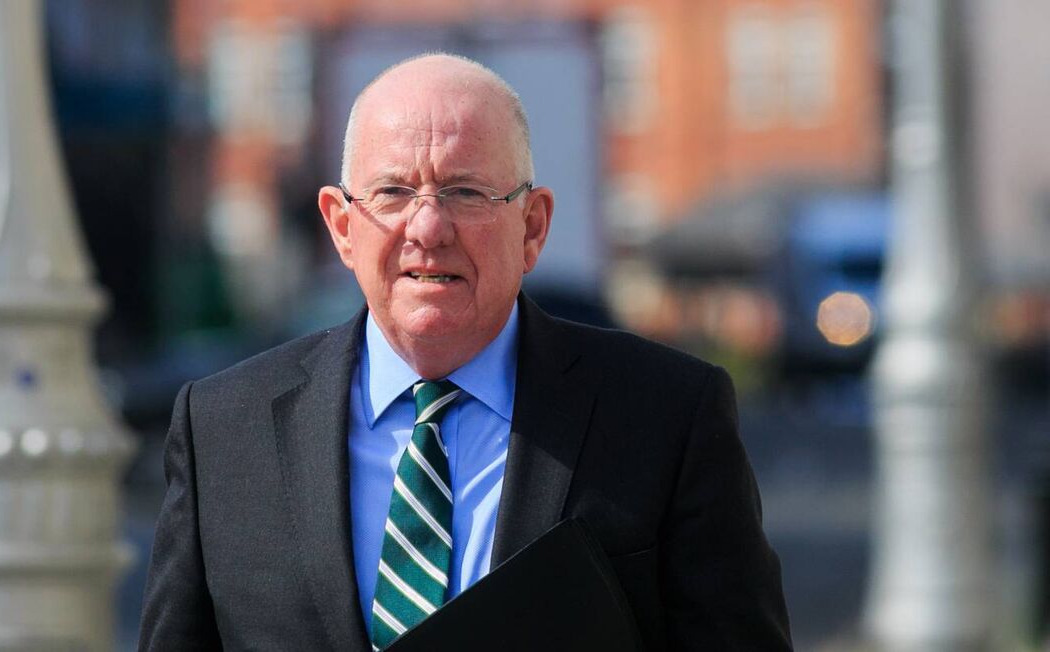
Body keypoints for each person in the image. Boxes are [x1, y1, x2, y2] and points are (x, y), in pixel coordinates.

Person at [138, 53, 792, 651]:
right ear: (342, 226)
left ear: (532, 226)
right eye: (392, 193)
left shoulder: (664, 417)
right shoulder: (224, 429)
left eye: (466, 193)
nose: (427, 227)